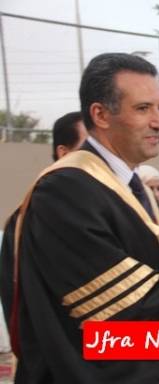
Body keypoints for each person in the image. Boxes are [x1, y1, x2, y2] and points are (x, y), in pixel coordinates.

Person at [0, 53, 159, 384]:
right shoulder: (64, 189)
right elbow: (113, 314)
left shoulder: (131, 185)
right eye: (143, 109)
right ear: (100, 114)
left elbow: (151, 288)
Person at [1, 110, 88, 343]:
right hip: (68, 354)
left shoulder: (92, 207)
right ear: (64, 153)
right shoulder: (46, 214)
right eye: (90, 149)